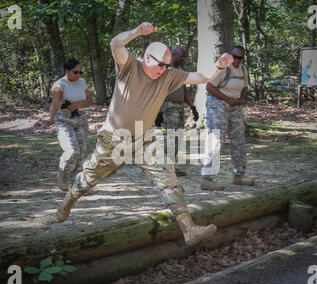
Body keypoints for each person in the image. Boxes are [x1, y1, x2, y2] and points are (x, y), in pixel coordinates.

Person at [56, 22, 233, 247]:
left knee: (168, 179)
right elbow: (115, 44)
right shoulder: (129, 66)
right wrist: (138, 32)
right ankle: (68, 200)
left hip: (144, 138)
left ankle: (189, 229)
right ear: (147, 57)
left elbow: (202, 77)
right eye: (160, 64)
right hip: (114, 138)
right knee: (88, 179)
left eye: (166, 65)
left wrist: (219, 65)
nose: (163, 69)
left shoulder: (168, 76)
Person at [201, 45, 254, 190]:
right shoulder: (223, 68)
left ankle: (239, 175)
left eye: (240, 57)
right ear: (230, 56)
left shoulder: (243, 69)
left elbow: (245, 87)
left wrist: (241, 99)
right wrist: (227, 99)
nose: (237, 60)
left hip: (235, 108)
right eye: (234, 57)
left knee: (239, 141)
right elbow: (210, 87)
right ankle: (207, 178)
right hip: (218, 107)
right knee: (215, 140)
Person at [46, 59, 94, 191]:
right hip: (64, 119)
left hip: (81, 119)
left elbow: (90, 101)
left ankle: (77, 184)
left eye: (80, 72)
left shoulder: (82, 82)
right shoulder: (59, 85)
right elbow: (55, 104)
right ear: (66, 71)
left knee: (82, 153)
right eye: (75, 72)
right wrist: (50, 119)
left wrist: (77, 105)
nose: (78, 74)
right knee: (73, 151)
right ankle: (62, 172)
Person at [155, 47, 199, 177]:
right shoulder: (163, 70)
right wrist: (158, 112)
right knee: (171, 137)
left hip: (180, 107)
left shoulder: (180, 71)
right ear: (173, 54)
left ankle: (170, 166)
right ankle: (164, 168)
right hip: (168, 107)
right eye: (182, 56)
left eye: (185, 56)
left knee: (178, 137)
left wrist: (193, 107)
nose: (184, 59)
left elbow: (184, 90)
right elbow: (157, 91)